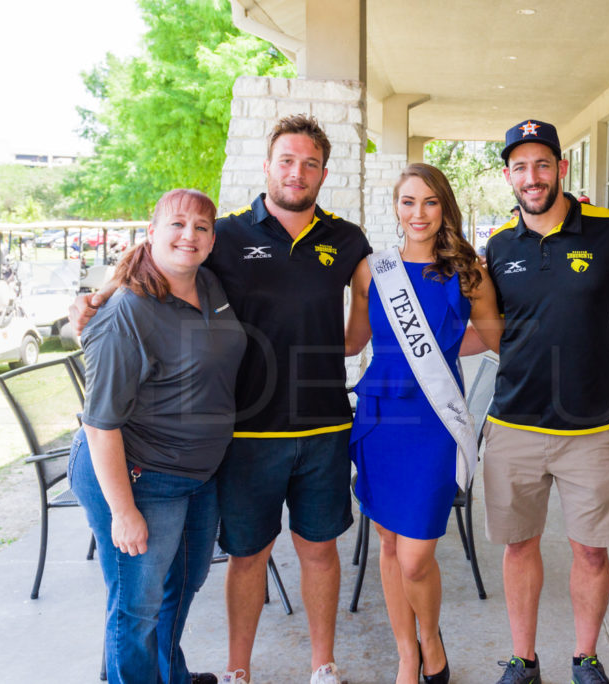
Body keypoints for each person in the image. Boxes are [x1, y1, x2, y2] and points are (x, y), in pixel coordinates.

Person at [70, 115, 371, 684]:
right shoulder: (225, 233)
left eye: (310, 163)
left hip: (322, 426)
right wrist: (97, 297)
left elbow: (370, 311)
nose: (297, 172)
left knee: (299, 556)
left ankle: (322, 665)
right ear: (267, 165)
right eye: (286, 159)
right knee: (239, 560)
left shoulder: (347, 237)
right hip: (245, 435)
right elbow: (156, 251)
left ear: (324, 173)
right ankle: (237, 670)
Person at [69, 188, 246, 684]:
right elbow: (100, 423)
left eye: (201, 227)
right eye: (176, 224)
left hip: (197, 473)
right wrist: (124, 513)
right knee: (137, 607)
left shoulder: (210, 284)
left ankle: (170, 675)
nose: (189, 235)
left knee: (183, 586)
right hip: (139, 475)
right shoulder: (127, 311)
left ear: (213, 239)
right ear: (151, 234)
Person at [484, 119, 609, 684]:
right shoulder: (498, 246)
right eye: (520, 167)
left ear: (562, 169)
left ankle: (585, 656)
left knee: (592, 551)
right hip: (514, 423)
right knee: (519, 547)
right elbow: (486, 326)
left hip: (591, 427)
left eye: (542, 164)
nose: (532, 176)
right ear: (507, 176)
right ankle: (523, 660)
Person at [344, 163, 502, 684]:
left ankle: (430, 636)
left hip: (433, 422)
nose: (419, 213)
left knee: (415, 557)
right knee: (389, 544)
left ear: (445, 208)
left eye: (430, 202)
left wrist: (445, 350)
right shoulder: (373, 270)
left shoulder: (467, 273)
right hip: (380, 418)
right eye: (408, 201)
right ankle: (407, 655)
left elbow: (496, 338)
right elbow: (354, 341)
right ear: (396, 207)